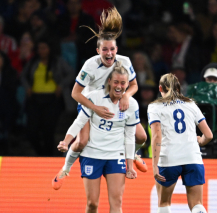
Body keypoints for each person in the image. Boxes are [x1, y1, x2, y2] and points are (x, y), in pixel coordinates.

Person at [54, 7, 147, 186]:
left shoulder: (125, 62)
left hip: (115, 102)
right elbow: (75, 93)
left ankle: (132, 153)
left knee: (142, 137)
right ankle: (65, 169)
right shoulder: (89, 65)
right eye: (105, 50)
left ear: (116, 49)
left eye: (112, 49)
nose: (109, 53)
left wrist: (127, 96)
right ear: (98, 51)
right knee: (82, 141)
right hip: (91, 104)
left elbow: (134, 85)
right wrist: (95, 108)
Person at [64, 62, 138, 213]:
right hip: (92, 155)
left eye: (123, 83)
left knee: (117, 200)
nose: (120, 86)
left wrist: (130, 165)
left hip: (115, 156)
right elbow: (79, 121)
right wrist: (66, 141)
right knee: (92, 203)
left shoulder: (131, 104)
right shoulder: (94, 98)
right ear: (109, 82)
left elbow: (130, 137)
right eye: (116, 82)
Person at [148, 73, 217, 213]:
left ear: (160, 89)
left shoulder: (155, 107)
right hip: (193, 158)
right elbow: (209, 135)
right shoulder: (190, 104)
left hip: (168, 159)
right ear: (179, 89)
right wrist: (200, 142)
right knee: (196, 203)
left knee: (164, 202)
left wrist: (154, 165)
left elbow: (156, 135)